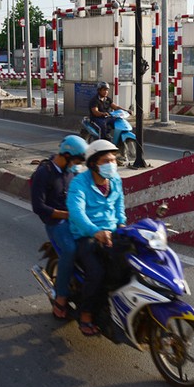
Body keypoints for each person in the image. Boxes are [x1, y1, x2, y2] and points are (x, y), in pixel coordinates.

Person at [66, 139, 126, 337]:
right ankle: (85, 314)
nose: (112, 164)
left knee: (131, 266)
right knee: (97, 273)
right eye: (105, 160)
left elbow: (119, 205)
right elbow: (76, 213)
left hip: (112, 233)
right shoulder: (79, 183)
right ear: (93, 164)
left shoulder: (115, 179)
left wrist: (122, 224)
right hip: (87, 236)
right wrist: (95, 231)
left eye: (113, 160)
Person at [30, 135, 88, 320]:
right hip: (56, 223)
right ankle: (60, 299)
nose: (78, 165)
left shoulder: (73, 171)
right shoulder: (44, 173)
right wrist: (66, 215)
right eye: (77, 160)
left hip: (76, 218)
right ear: (66, 155)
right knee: (70, 250)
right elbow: (38, 207)